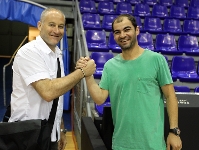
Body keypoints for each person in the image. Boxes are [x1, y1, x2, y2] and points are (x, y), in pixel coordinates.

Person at [76, 14, 182, 150]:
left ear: (137, 30)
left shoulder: (157, 60)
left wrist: (174, 131)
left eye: (127, 29)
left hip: (153, 145)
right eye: (117, 32)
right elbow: (99, 99)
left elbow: (170, 96)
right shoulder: (110, 66)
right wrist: (88, 75)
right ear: (114, 36)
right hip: (121, 145)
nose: (122, 35)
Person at [8, 8, 96, 150]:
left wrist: (60, 129)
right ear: (40, 25)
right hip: (27, 135)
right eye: (51, 24)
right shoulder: (29, 52)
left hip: (49, 133)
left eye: (61, 26)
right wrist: (82, 72)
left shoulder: (56, 54)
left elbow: (57, 97)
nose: (56, 30)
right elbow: (48, 92)